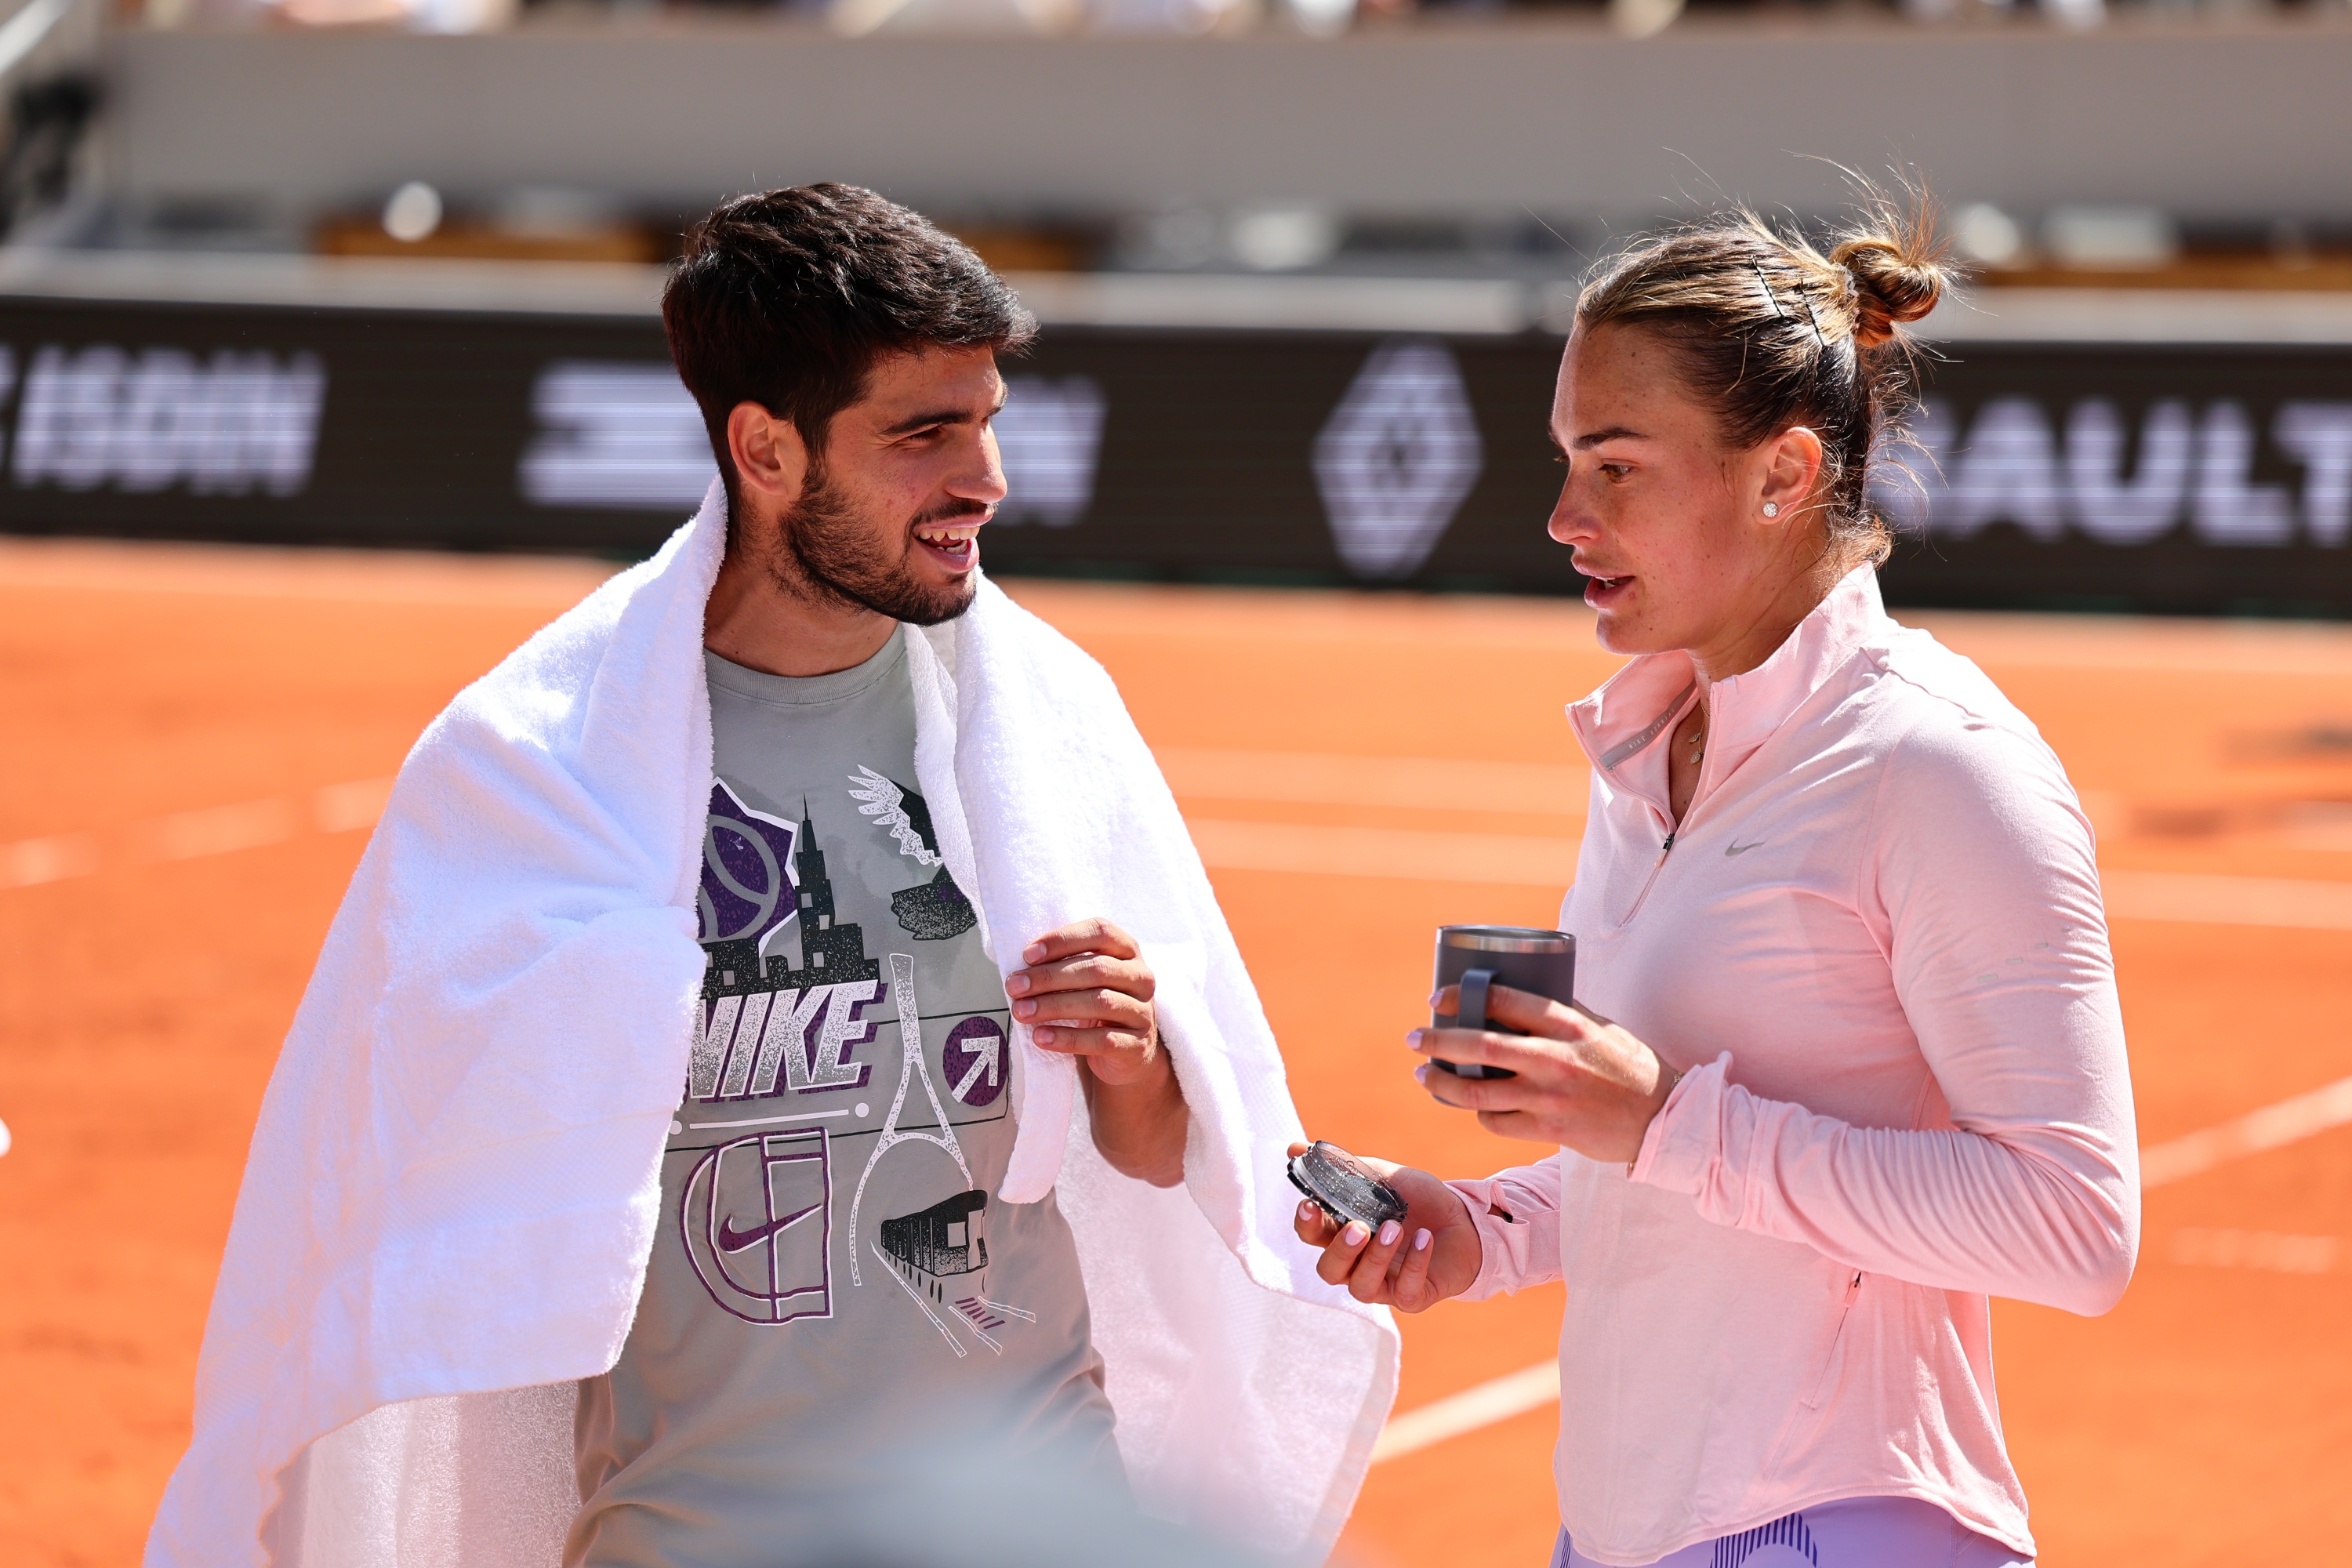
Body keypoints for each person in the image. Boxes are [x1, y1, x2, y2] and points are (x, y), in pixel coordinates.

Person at [148, 184, 1396, 1568]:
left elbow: (1157, 1152)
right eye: (924, 434)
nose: (983, 478)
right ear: (765, 449)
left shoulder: (1040, 721)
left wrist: (1138, 1056)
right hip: (701, 1530)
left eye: (986, 422)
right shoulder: (538, 769)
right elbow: (388, 1195)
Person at [1294, 205, 2139, 1567]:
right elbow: (1665, 1162)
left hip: (1848, 1520)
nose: (1567, 516)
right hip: (1620, 1528)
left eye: (1616, 466)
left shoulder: (1939, 765)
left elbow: (2074, 1227)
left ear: (1784, 473)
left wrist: (1668, 1123)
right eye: (1570, 460)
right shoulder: (1645, 739)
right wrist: (1487, 1230)